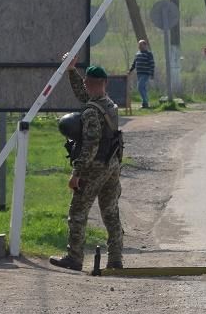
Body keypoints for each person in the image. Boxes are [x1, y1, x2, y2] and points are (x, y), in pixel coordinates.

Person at [50, 58, 124, 272]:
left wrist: (76, 173)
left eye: (85, 83)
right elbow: (85, 96)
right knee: (110, 213)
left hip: (95, 167)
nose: (84, 87)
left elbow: (90, 145)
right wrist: (71, 70)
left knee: (78, 213)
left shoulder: (91, 112)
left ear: (89, 83)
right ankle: (116, 260)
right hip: (112, 165)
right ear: (105, 83)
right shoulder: (109, 104)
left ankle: (74, 258)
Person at [128, 39, 156, 109]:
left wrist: (152, 74)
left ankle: (146, 102)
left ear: (145, 45)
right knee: (143, 88)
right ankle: (145, 104)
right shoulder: (137, 54)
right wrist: (130, 70)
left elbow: (152, 64)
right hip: (139, 74)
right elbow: (134, 63)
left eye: (141, 45)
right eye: (139, 45)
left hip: (145, 73)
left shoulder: (149, 54)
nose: (139, 46)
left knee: (140, 87)